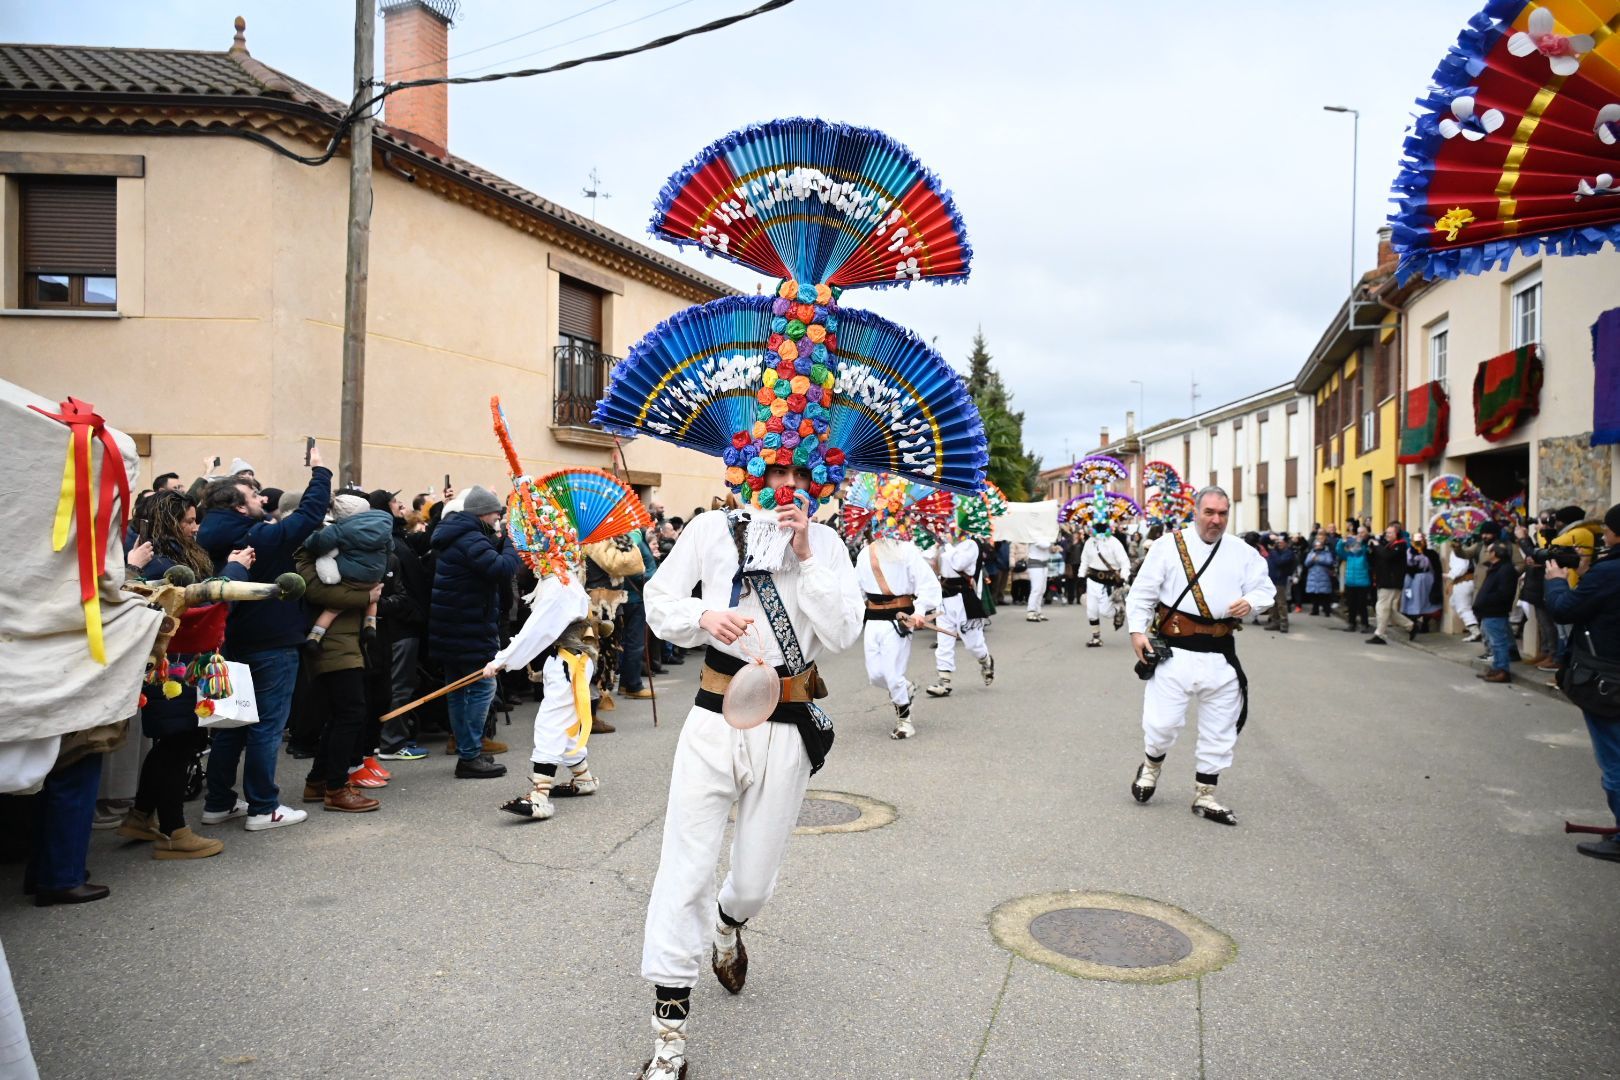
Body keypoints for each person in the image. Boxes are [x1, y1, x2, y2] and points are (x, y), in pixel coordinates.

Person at [638, 465, 864, 1078]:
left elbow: (844, 632)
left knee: (753, 884)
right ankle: (669, 1037)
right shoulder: (712, 528)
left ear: (816, 473)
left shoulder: (830, 542)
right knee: (683, 869)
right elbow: (656, 601)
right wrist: (703, 618)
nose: (783, 480)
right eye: (770, 468)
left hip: (787, 725)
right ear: (747, 470)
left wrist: (807, 553)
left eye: (796, 469)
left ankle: (727, 925)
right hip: (712, 722)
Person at [196, 449, 331, 831]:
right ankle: (262, 807)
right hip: (271, 640)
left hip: (230, 641)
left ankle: (218, 802)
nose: (262, 500)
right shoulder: (257, 537)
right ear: (240, 507)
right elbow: (307, 516)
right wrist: (321, 472)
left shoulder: (205, 535)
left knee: (231, 723)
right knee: (266, 725)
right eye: (254, 496)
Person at [1125, 487, 1274, 826]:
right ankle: (1150, 767)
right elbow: (1142, 594)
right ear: (1196, 512)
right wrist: (1137, 631)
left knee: (1219, 729)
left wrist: (1251, 602)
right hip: (1174, 652)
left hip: (1221, 655)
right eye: (1209, 512)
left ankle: (1205, 795)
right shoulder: (1168, 547)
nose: (1216, 520)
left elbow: (1265, 588)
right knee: (1162, 724)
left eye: (1222, 513)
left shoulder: (1243, 552)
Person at [484, 526, 608, 821]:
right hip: (570, 657)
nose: (530, 560)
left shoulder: (558, 586)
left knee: (552, 722)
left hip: (570, 660)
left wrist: (502, 660)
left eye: (534, 553)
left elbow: (535, 632)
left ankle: (540, 795)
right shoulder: (560, 580)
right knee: (563, 721)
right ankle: (583, 778)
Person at [1542, 503, 1620, 861]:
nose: (1602, 537)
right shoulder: (1605, 571)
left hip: (1609, 680)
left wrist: (1558, 582)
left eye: (1605, 531)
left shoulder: (1611, 572)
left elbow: (1566, 610)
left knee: (1615, 760)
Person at [429, 485, 520, 779]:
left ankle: (467, 750)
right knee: (482, 687)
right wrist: (510, 541)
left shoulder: (457, 533)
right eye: (496, 515)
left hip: (454, 625)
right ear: (483, 514)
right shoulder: (470, 538)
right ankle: (470, 754)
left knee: (458, 690)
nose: (497, 520)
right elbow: (502, 568)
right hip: (469, 627)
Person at [856, 519, 942, 739]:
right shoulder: (865, 553)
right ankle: (906, 689)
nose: (883, 528)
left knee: (893, 674)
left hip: (899, 620)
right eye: (878, 523)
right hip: (873, 618)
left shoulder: (907, 551)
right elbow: (857, 589)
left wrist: (920, 611)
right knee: (875, 675)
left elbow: (928, 584)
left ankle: (905, 721)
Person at [301, 492, 393, 654]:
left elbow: (319, 543)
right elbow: (390, 548)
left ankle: (315, 636)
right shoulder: (384, 525)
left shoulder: (340, 529)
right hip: (375, 577)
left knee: (333, 609)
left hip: (351, 577)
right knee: (373, 599)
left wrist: (309, 539)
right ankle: (370, 626)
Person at [926, 501, 996, 698]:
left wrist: (946, 544)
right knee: (944, 639)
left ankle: (986, 661)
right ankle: (944, 681)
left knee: (974, 644)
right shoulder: (945, 545)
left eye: (952, 523)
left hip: (964, 598)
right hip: (945, 598)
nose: (950, 526)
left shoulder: (971, 545)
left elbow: (958, 562)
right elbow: (927, 559)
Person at [1473, 540, 1519, 683]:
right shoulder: (1495, 567)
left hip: (1495, 611)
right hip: (1489, 611)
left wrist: (1486, 600)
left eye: (1488, 551)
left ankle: (1502, 670)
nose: (1486, 553)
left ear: (1495, 554)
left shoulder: (1505, 569)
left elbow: (1504, 593)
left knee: (1498, 642)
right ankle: (1497, 667)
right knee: (1495, 642)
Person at [1080, 521, 1130, 648]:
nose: (1099, 531)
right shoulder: (1089, 542)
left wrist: (1123, 577)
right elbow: (1084, 560)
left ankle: (1118, 609)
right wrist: (1081, 576)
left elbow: (1124, 562)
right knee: (1091, 610)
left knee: (1106, 612)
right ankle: (1096, 638)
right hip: (1092, 579)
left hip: (1109, 582)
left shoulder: (1114, 542)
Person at [1365, 523, 1414, 645]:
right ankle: (1411, 626)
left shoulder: (1400, 545)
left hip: (1391, 582)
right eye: (1386, 532)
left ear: (1397, 534)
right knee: (1389, 611)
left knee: (1381, 607)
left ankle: (1379, 634)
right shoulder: (1387, 545)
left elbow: (1387, 556)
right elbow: (1377, 559)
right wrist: (1371, 550)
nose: (1387, 535)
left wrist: (1377, 546)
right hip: (1383, 580)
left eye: (1390, 533)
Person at [1402, 534, 1443, 637]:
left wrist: (1437, 583)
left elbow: (1437, 568)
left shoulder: (1431, 554)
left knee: (1425, 601)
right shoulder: (1408, 553)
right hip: (1411, 581)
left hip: (1426, 580)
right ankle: (1412, 623)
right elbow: (1405, 567)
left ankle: (1425, 624)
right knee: (1411, 600)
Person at [1336, 526, 1373, 634]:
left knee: (1362, 605)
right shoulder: (1349, 555)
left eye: (1362, 532)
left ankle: (1365, 624)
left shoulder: (1364, 553)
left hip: (1362, 582)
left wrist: (1361, 542)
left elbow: (1367, 550)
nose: (1359, 534)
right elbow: (1339, 551)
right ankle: (1351, 623)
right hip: (1350, 582)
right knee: (1351, 604)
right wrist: (1342, 542)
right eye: (1358, 532)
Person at [1445, 542, 1482, 643]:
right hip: (1468, 581)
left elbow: (1460, 568)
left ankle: (1475, 631)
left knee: (1463, 608)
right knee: (1453, 603)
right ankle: (1472, 624)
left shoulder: (1462, 552)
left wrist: (1450, 575)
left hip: (1463, 582)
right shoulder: (1473, 549)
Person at [1263, 534, 1295, 633]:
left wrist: (1273, 551)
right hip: (1270, 580)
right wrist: (1270, 535)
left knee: (1281, 604)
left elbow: (1280, 562)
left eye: (1281, 542)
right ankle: (1274, 622)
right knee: (1272, 603)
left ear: (1286, 543)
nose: (1279, 543)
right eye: (1278, 542)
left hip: (1280, 581)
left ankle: (1284, 624)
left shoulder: (1288, 553)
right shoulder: (1274, 551)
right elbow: (1263, 540)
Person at [1303, 537, 1335, 615]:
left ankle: (1327, 610)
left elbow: (1330, 562)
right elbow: (1306, 563)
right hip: (1313, 576)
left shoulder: (1327, 553)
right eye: (1316, 545)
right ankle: (1315, 610)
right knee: (1314, 595)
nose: (1318, 547)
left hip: (1323, 576)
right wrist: (1312, 560)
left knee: (1324, 595)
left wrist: (1319, 560)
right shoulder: (1311, 553)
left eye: (1319, 545)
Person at [1025, 536, 1053, 621]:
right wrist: (1051, 539)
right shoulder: (1034, 534)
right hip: (1035, 564)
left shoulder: (1045, 534)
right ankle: (1031, 611)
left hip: (1044, 564)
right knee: (1036, 589)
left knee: (1042, 590)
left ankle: (1038, 611)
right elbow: (1044, 545)